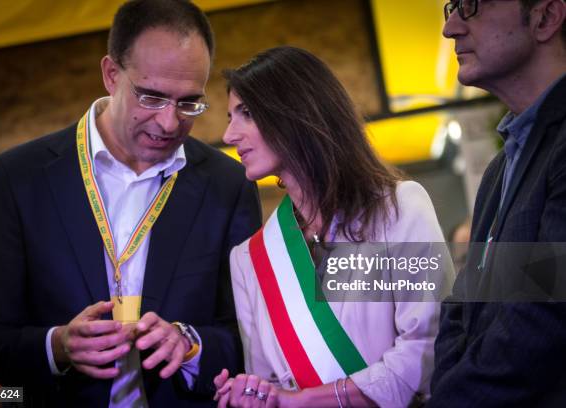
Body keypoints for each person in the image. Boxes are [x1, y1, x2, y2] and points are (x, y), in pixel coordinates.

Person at [0, 0, 262, 406]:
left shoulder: (228, 185)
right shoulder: (19, 178)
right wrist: (57, 346)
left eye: (188, 102)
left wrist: (190, 344)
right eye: (152, 98)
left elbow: (251, 340)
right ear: (110, 75)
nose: (169, 122)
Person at [212, 46, 451, 408]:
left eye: (246, 113)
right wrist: (254, 395)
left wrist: (308, 400)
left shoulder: (399, 208)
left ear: (295, 111)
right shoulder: (248, 259)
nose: (229, 134)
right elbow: (269, 381)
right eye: (231, 116)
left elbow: (427, 346)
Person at [430, 0, 566, 406]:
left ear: (545, 17)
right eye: (451, 8)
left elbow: (544, 316)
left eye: (470, 6)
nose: (450, 28)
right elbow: (463, 304)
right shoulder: (499, 168)